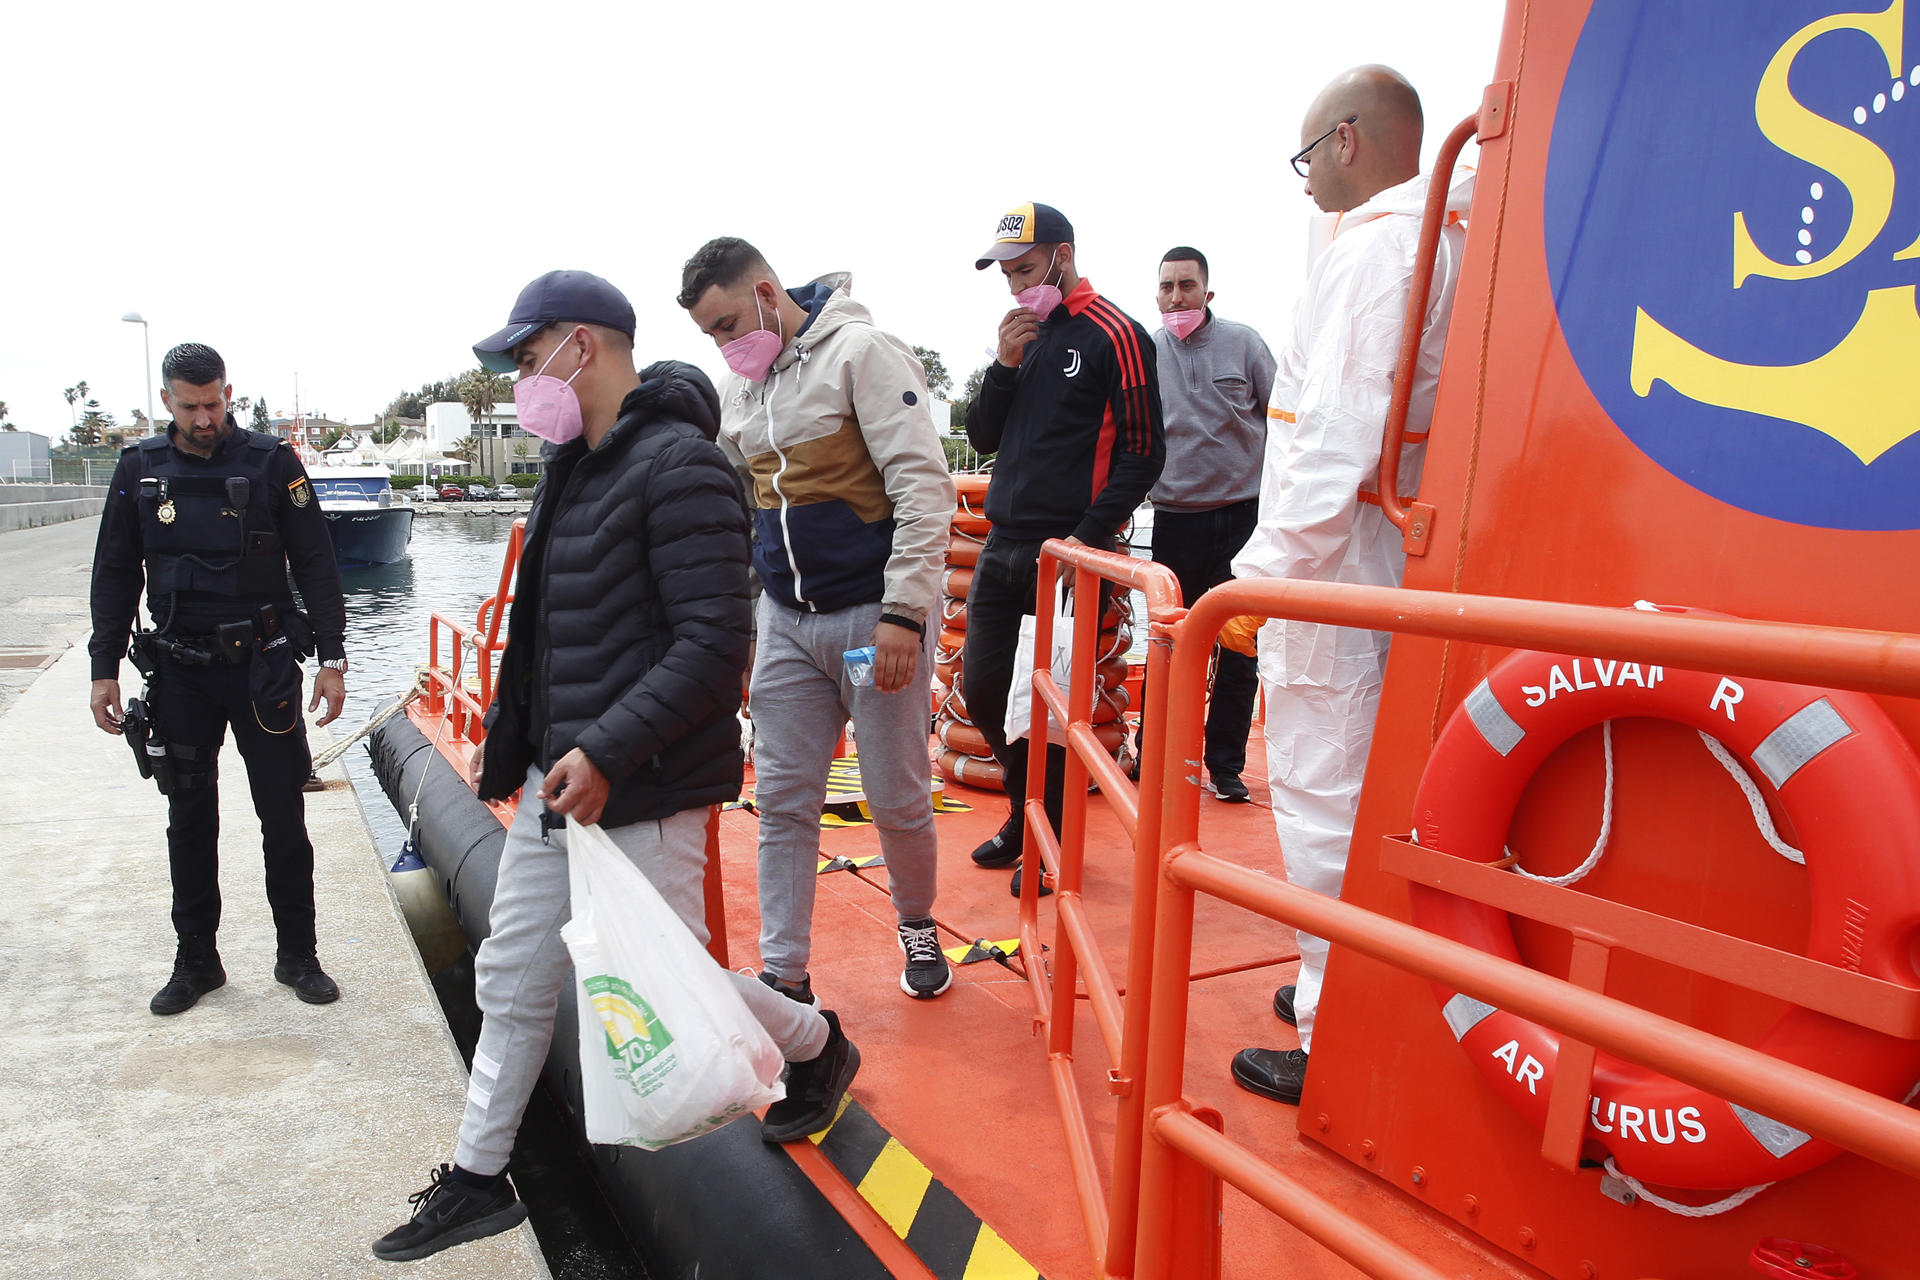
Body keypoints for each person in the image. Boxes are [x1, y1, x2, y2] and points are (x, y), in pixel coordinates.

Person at [373, 271, 858, 1262]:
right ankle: (475, 1176)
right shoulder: (574, 467)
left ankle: (819, 1045)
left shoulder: (683, 468)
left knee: (673, 978)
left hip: (644, 782)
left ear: (581, 346)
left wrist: (607, 746)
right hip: (566, 777)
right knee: (511, 970)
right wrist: (525, 744)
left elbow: (716, 641)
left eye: (525, 357)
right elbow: (548, 636)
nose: (519, 379)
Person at [1224, 66, 1473, 1105]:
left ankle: (1336, 1034)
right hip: (1381, 550)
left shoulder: (1376, 251)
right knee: (1361, 791)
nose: (1305, 179)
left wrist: (1263, 578)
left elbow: (1333, 430)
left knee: (1326, 805)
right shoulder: (1442, 239)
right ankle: (1334, 978)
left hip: (1332, 567)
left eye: (1306, 155)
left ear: (1348, 141)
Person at [678, 238, 957, 1002]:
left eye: (731, 323)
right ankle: (786, 974)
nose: (727, 345)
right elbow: (739, 512)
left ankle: (917, 921)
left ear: (768, 292)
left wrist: (905, 613)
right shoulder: (742, 392)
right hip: (787, 622)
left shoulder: (862, 355)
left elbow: (924, 489)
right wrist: (738, 624)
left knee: (896, 794)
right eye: (712, 335)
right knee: (782, 800)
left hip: (874, 618)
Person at [87, 342, 348, 1016]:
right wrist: (103, 668)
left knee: (283, 815)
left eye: (215, 403)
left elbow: (316, 560)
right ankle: (196, 961)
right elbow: (116, 571)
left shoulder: (270, 462)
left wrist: (332, 658)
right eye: (190, 406)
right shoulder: (140, 470)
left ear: (227, 393)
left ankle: (299, 955)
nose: (205, 418)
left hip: (263, 668)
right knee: (189, 818)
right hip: (179, 672)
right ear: (167, 402)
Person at [962, 202, 1165, 896]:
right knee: (984, 691)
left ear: (1063, 256)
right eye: (1008, 276)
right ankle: (1028, 818)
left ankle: (1046, 841)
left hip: (1069, 553)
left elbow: (1144, 454)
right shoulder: (1026, 338)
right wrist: (1002, 362)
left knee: (1049, 712)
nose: (1018, 288)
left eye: (1026, 270)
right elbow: (984, 438)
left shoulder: (1119, 334)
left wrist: (1085, 538)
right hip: (1003, 542)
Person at [1146, 246, 1276, 802]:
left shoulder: (1245, 344)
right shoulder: (1145, 351)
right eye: (1167, 287)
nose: (1177, 298)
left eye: (1187, 286)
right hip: (1175, 519)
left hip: (1242, 519)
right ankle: (1157, 757)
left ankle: (1226, 766)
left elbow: (1282, 418)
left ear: (1208, 293)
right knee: (1168, 643)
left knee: (1238, 645)